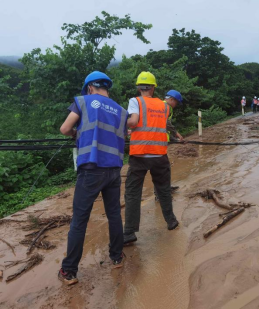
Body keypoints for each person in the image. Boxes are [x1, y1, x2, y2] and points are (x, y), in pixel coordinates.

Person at [58, 71, 128, 285]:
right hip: (114, 170)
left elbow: (65, 128)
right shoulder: (121, 111)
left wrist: (76, 134)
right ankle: (117, 257)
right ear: (106, 88)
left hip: (91, 169)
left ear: (89, 88)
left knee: (79, 221)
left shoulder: (83, 102)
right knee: (114, 215)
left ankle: (69, 271)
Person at [123, 71, 179, 246]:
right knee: (163, 189)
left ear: (139, 88)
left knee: (133, 193)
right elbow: (154, 125)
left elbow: (134, 122)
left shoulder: (135, 101)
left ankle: (129, 232)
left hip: (139, 154)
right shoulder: (165, 107)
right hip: (160, 155)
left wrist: (122, 126)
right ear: (153, 88)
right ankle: (171, 221)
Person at [154, 89, 184, 202]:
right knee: (161, 169)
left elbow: (162, 127)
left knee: (163, 168)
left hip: (158, 142)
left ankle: (164, 189)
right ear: (171, 99)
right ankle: (160, 194)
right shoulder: (166, 107)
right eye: (176, 102)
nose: (175, 105)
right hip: (157, 144)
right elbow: (167, 124)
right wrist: (177, 134)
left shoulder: (159, 105)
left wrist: (174, 139)